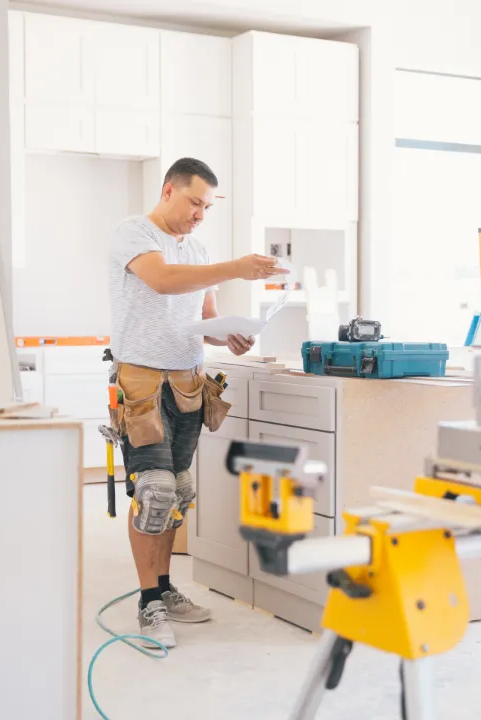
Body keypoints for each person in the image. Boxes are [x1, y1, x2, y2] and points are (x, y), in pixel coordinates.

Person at [108, 157, 288, 648]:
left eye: (207, 206)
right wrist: (236, 267)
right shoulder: (134, 234)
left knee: (178, 491)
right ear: (168, 190)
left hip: (186, 384)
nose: (200, 214)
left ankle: (165, 590)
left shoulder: (200, 247)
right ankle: (148, 602)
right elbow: (164, 281)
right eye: (194, 202)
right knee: (155, 491)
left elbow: (202, 313)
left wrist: (228, 334)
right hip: (141, 384)